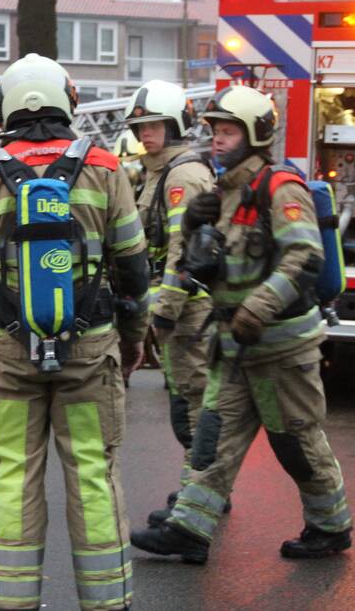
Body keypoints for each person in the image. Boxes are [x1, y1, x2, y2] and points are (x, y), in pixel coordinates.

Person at [0, 53, 150, 611]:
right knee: (92, 473)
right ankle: (106, 603)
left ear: (5, 109)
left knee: (12, 474)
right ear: (67, 102)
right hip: (89, 348)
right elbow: (132, 268)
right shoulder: (105, 167)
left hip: (8, 353)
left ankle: (13, 602)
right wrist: (134, 339)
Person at [130, 83, 353, 564]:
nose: (217, 140)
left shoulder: (280, 187)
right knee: (213, 435)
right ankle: (190, 528)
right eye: (214, 131)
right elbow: (212, 261)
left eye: (228, 131)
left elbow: (303, 255)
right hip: (233, 345)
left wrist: (257, 308)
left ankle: (330, 526)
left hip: (279, 348)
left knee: (295, 440)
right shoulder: (222, 192)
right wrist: (192, 224)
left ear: (255, 134)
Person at [122, 80, 228, 526]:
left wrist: (164, 309)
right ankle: (200, 489)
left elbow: (184, 250)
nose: (146, 134)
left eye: (156, 125)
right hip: (178, 308)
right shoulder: (157, 171)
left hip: (189, 310)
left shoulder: (182, 175)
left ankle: (200, 494)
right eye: (141, 125)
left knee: (197, 402)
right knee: (186, 400)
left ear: (177, 125)